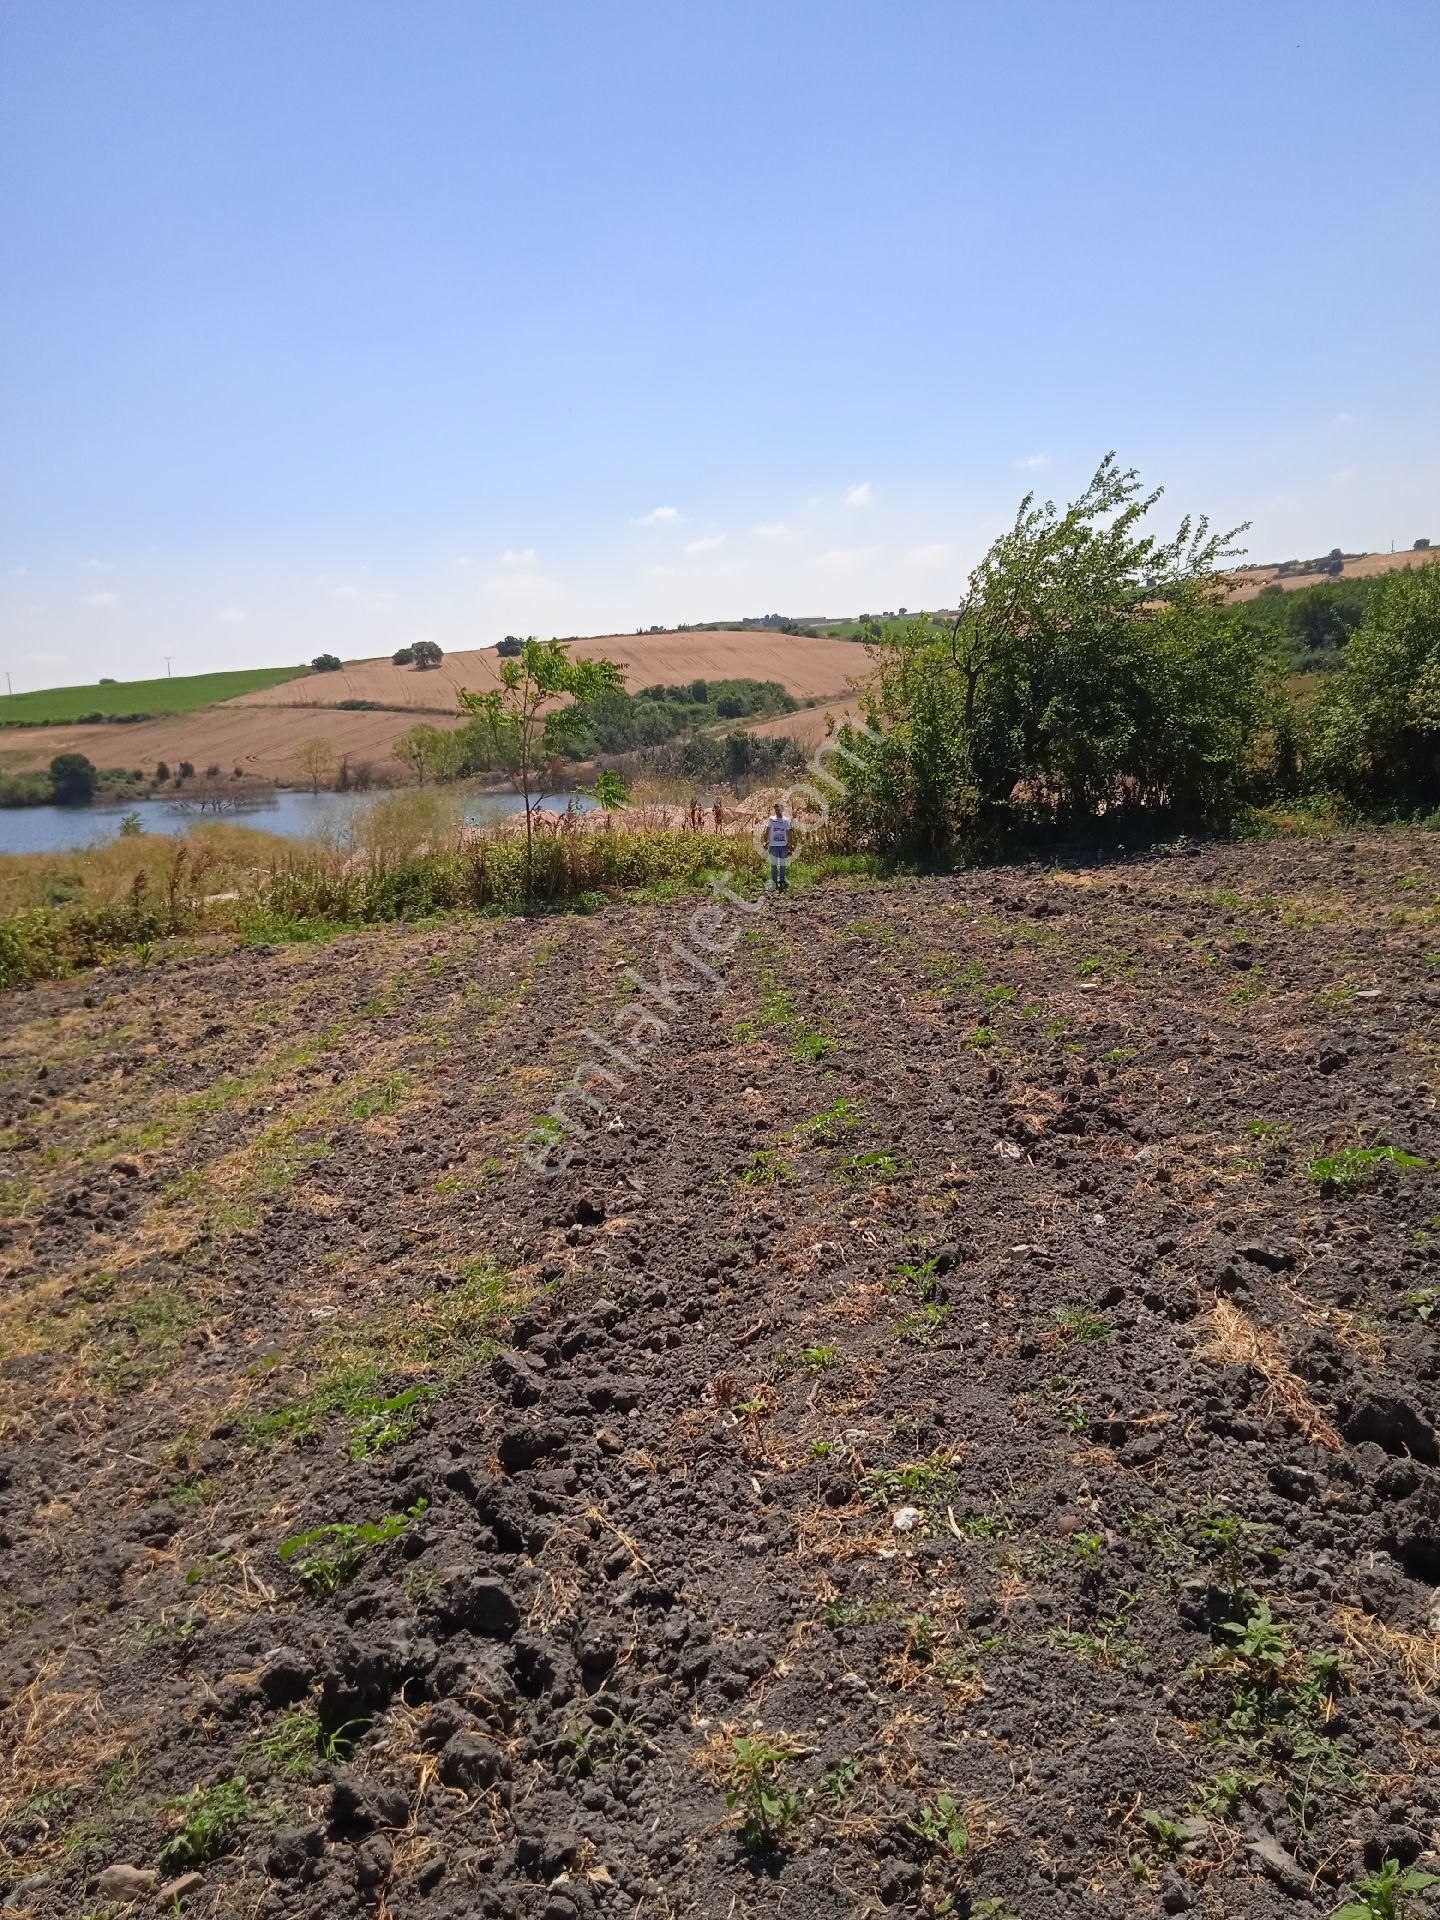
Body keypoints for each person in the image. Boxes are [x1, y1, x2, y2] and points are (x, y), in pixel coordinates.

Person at [766, 804, 792, 891]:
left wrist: (790, 844)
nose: (777, 812)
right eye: (776, 810)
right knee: (774, 865)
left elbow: (789, 833)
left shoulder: (786, 821)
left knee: (783, 865)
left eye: (779, 810)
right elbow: (767, 830)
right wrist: (766, 841)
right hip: (773, 845)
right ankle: (774, 881)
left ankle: (781, 880)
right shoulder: (771, 819)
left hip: (783, 845)